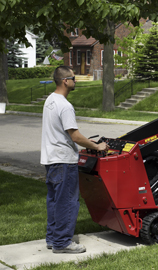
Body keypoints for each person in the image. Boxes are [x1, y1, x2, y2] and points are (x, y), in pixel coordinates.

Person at [40, 66, 109, 254]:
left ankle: (53, 238)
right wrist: (97, 146)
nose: (75, 81)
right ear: (65, 81)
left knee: (54, 200)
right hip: (64, 160)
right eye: (73, 78)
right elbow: (75, 136)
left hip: (51, 159)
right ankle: (62, 242)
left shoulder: (50, 101)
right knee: (68, 201)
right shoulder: (65, 105)